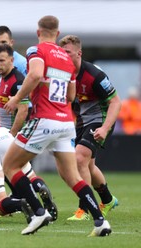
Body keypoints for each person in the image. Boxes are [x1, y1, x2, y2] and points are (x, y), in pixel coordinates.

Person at [2, 15, 111, 236]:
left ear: (38, 32)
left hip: (43, 119)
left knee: (10, 166)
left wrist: (17, 98)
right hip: (65, 123)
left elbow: (34, 74)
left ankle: (39, 212)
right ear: (58, 33)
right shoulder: (67, 59)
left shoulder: (36, 50)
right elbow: (71, 95)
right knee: (73, 177)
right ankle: (100, 222)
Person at [0, 43, 56, 219]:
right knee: (18, 171)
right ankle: (37, 193)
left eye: (1, 60)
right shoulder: (1, 78)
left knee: (13, 170)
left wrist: (11, 134)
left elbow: (23, 110)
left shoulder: (17, 80)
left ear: (12, 60)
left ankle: (28, 203)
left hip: (11, 134)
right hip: (2, 133)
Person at [59, 35, 120, 221]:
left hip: (100, 118)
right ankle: (108, 200)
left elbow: (116, 102)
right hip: (82, 121)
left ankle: (84, 209)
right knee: (88, 165)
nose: (64, 56)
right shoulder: (62, 74)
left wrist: (105, 128)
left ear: (79, 53)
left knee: (79, 158)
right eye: (62, 53)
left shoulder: (94, 75)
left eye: (67, 52)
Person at [0, 25, 27, 111]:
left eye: (4, 42)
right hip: (1, 113)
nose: (0, 46)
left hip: (17, 114)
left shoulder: (22, 63)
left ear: (11, 42)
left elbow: (29, 93)